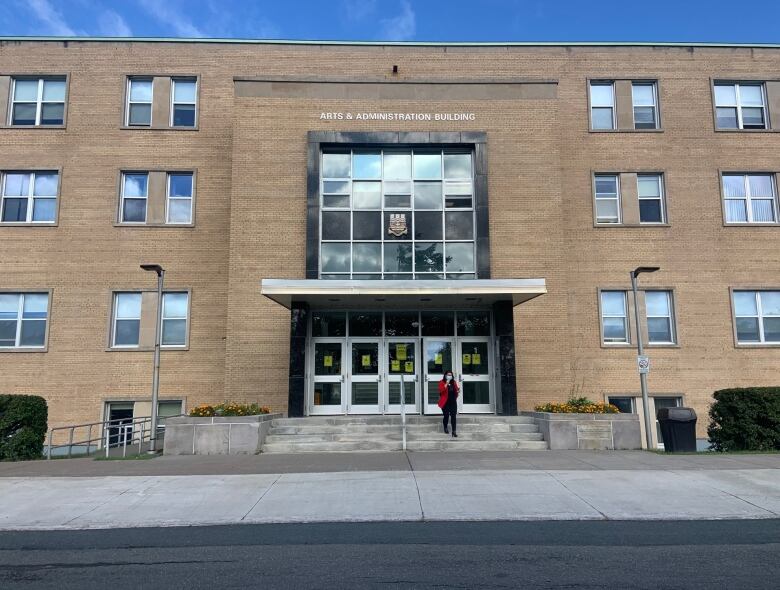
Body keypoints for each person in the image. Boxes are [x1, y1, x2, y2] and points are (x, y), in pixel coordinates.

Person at [437, 370, 459, 437]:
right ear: (445, 375)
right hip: (445, 402)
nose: (449, 376)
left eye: (450, 375)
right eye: (448, 375)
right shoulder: (441, 382)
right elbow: (441, 390)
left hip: (452, 401)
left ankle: (454, 431)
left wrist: (458, 390)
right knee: (446, 415)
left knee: (453, 416)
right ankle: (445, 427)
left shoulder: (454, 382)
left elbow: (456, 390)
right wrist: (446, 383)